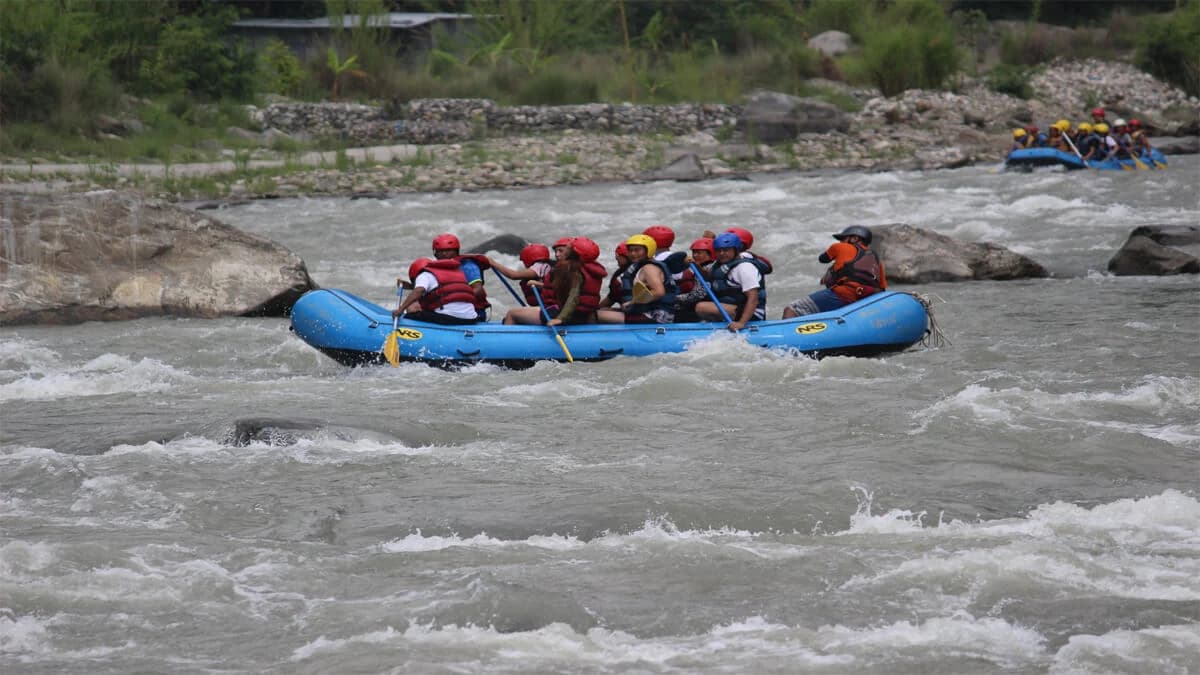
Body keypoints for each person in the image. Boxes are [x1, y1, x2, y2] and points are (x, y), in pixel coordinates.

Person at [782, 225, 886, 319]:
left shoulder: (839, 247)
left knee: (792, 309)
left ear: (855, 238)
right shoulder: (877, 261)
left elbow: (822, 259)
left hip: (842, 294)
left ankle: (786, 337)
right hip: (865, 301)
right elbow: (882, 289)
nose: (841, 242)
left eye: (843, 239)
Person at [502, 238, 607, 325]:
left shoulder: (572, 270)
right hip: (582, 315)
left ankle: (504, 345)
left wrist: (560, 318)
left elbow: (573, 297)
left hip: (565, 315)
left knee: (512, 313)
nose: (562, 252)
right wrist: (540, 285)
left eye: (567, 249)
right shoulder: (592, 269)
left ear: (575, 253)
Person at [596, 234, 676, 324]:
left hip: (656, 316)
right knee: (604, 310)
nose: (633, 254)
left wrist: (632, 302)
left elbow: (659, 292)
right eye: (630, 250)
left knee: (596, 315)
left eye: (637, 250)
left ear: (648, 250)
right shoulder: (640, 266)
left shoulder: (649, 268)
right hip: (648, 312)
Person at [695, 232, 767, 331]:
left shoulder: (744, 268)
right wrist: (696, 266)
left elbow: (753, 298)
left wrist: (741, 323)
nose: (722, 254)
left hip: (752, 312)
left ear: (736, 250)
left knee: (701, 307)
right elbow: (710, 276)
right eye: (718, 251)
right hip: (734, 308)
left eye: (726, 250)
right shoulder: (719, 264)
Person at [393, 257, 479, 325]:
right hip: (471, 318)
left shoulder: (424, 274)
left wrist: (400, 309)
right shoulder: (452, 272)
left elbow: (419, 290)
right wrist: (411, 286)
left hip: (451, 318)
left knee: (411, 311)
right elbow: (443, 289)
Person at [431, 233, 490, 322]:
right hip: (448, 310)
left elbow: (478, 289)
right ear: (435, 253)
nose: (444, 254)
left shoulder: (468, 266)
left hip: (473, 311)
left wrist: (455, 301)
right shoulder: (437, 268)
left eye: (448, 250)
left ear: (456, 251)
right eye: (440, 251)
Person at [489, 243, 553, 307]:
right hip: (544, 305)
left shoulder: (539, 267)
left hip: (546, 307)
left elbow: (513, 275)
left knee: (511, 314)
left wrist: (493, 262)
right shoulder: (547, 266)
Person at [673, 236, 716, 323]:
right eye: (694, 252)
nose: (695, 256)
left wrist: (675, 298)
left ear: (711, 254)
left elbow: (699, 294)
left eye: (699, 253)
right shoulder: (700, 267)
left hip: (703, 305)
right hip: (699, 302)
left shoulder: (709, 269)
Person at [599, 242, 630, 309]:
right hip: (650, 311)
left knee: (596, 314)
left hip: (632, 313)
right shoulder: (644, 267)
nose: (616, 257)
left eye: (618, 256)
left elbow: (611, 298)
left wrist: (597, 308)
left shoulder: (619, 277)